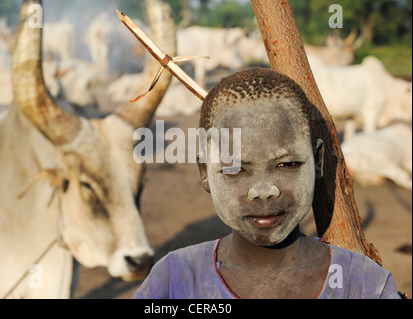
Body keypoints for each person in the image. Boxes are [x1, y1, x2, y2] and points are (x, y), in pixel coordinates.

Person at [132, 68, 401, 299]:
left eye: (287, 164)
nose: (263, 191)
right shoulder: (174, 280)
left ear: (318, 161)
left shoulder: (365, 285)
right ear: (205, 171)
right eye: (235, 168)